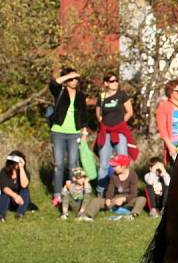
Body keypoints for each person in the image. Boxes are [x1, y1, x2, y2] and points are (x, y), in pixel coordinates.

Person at [49, 68, 88, 207]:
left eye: (76, 78)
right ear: (66, 80)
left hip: (74, 133)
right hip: (58, 131)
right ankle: (57, 195)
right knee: (59, 164)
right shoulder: (59, 91)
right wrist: (67, 76)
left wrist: (84, 133)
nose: (74, 81)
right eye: (71, 79)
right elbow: (53, 83)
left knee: (73, 164)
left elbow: (84, 115)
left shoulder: (81, 96)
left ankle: (72, 192)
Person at [95, 72, 134, 195]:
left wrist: (120, 123)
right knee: (104, 164)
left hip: (120, 132)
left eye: (116, 80)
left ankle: (124, 191)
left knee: (123, 161)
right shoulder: (101, 97)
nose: (115, 83)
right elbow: (98, 114)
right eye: (112, 81)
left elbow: (129, 111)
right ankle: (102, 192)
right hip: (105, 133)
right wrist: (104, 124)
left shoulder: (122, 95)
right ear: (106, 83)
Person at [85, 154, 146, 220]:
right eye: (112, 166)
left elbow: (133, 194)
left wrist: (124, 199)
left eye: (115, 166)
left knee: (142, 199)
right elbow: (110, 190)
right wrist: (108, 198)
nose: (112, 168)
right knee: (96, 200)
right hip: (115, 200)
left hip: (128, 200)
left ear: (123, 166)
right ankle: (87, 216)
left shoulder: (133, 175)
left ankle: (132, 215)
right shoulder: (114, 176)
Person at [0, 152, 30, 222]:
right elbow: (4, 188)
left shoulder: (25, 172)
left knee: (25, 191)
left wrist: (21, 168)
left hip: (21, 201)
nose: (19, 163)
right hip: (8, 200)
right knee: (5, 194)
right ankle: (1, 215)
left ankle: (20, 213)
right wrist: (15, 196)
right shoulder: (4, 172)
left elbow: (24, 185)